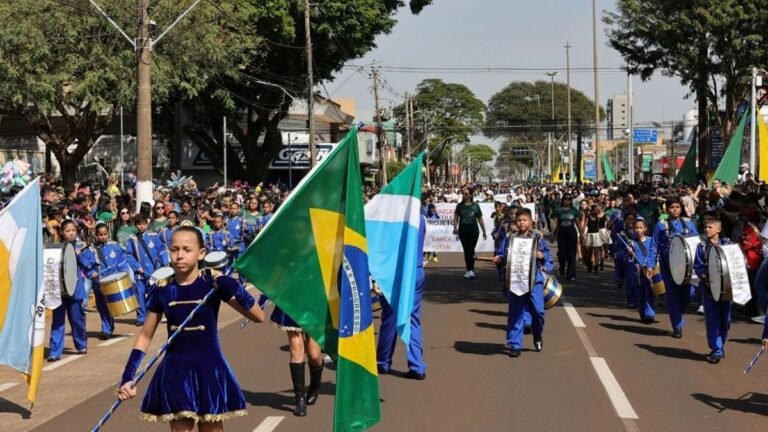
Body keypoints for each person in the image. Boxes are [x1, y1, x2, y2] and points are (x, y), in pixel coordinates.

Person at [117, 226, 265, 431]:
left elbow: (258, 316)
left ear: (201, 253)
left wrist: (235, 288)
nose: (180, 255)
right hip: (176, 370)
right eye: (174, 249)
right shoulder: (163, 289)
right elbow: (145, 336)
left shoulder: (212, 283)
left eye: (187, 249)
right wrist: (128, 376)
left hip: (210, 368)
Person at [493, 208, 553, 357]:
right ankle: (514, 344)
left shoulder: (538, 238)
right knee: (515, 313)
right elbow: (502, 254)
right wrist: (499, 259)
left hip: (534, 280)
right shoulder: (510, 238)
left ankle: (537, 335)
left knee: (538, 311)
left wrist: (541, 257)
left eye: (524, 220)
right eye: (519, 220)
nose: (521, 223)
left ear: (530, 221)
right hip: (515, 280)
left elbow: (548, 259)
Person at [377, 213, 427, 379]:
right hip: (416, 269)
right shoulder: (420, 218)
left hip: (395, 271)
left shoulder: (391, 217)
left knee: (390, 317)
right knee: (413, 317)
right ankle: (417, 365)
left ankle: (383, 361)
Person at [651, 196, 698, 338]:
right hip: (668, 267)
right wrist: (650, 265)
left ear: (681, 208)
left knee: (690, 293)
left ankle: (677, 312)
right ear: (667, 208)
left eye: (677, 207)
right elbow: (654, 245)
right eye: (672, 207)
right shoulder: (661, 225)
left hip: (687, 268)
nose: (675, 210)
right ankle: (677, 325)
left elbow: (697, 243)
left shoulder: (688, 223)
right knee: (672, 296)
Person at [47, 220, 92, 362]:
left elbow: (88, 265)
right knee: (58, 322)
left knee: (77, 320)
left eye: (73, 230)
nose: (71, 233)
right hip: (59, 291)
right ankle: (55, 351)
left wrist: (78, 256)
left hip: (76, 290)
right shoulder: (56, 248)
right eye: (67, 231)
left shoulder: (82, 246)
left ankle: (81, 344)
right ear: (62, 232)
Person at [694, 216, 732, 364]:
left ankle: (721, 345)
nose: (707, 229)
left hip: (727, 289)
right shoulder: (702, 246)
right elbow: (698, 266)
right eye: (705, 227)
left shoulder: (728, 244)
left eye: (710, 227)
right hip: (710, 289)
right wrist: (707, 279)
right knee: (712, 319)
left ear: (719, 229)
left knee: (726, 319)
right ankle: (716, 349)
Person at [88, 223, 132, 340]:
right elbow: (88, 265)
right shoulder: (91, 249)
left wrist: (123, 272)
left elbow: (122, 260)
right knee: (102, 306)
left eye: (105, 234)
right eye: (100, 235)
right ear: (96, 235)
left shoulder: (114, 246)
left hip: (114, 282)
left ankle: (108, 327)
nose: (102, 237)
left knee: (112, 305)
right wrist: (91, 273)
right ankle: (106, 328)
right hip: (99, 283)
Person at [126, 215, 169, 326]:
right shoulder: (132, 239)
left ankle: (152, 315)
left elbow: (162, 250)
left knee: (153, 294)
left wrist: (164, 264)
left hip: (154, 272)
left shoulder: (153, 236)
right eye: (139, 224)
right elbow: (129, 255)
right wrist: (136, 267)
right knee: (140, 295)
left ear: (147, 224)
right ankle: (141, 317)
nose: (141, 226)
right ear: (136, 225)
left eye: (143, 224)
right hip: (140, 273)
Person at [453, 188, 487, 279]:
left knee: (471, 249)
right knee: (466, 250)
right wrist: (455, 228)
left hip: (474, 231)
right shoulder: (459, 206)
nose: (464, 195)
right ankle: (468, 270)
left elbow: (480, 219)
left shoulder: (475, 206)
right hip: (463, 231)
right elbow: (456, 218)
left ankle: (471, 270)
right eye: (463, 193)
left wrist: (484, 231)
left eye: (466, 193)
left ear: (471, 195)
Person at [629, 217, 657, 323]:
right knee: (640, 292)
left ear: (645, 228)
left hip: (649, 270)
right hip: (638, 271)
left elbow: (654, 254)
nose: (638, 230)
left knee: (649, 291)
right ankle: (642, 312)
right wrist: (629, 251)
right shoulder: (632, 242)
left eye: (640, 228)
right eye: (636, 228)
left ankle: (649, 313)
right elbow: (630, 258)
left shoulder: (651, 241)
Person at [552, 194, 579, 281]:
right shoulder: (558, 210)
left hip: (572, 233)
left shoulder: (574, 210)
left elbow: (578, 223)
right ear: (562, 200)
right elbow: (555, 223)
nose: (567, 201)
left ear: (571, 201)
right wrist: (552, 234)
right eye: (565, 199)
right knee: (562, 253)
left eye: (569, 199)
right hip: (562, 233)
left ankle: (571, 274)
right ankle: (562, 266)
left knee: (572, 254)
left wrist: (581, 234)